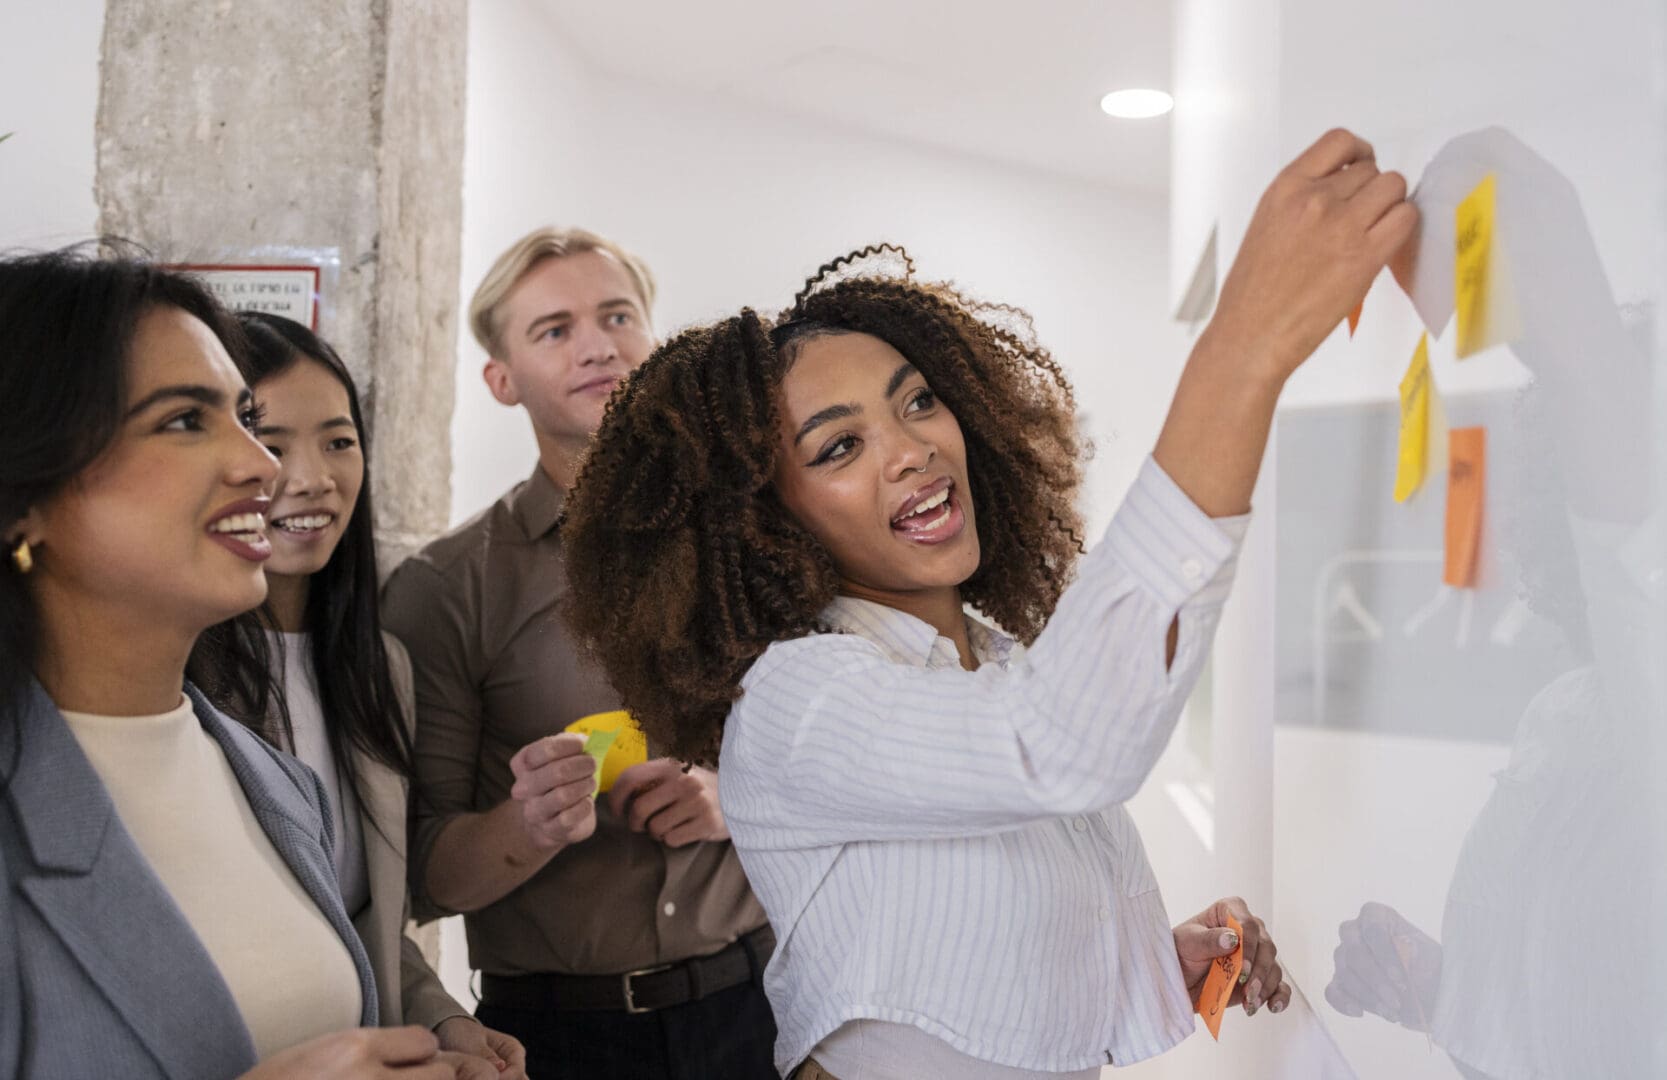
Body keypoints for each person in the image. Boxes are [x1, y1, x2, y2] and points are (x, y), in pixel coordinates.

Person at [559, 127, 1418, 1078]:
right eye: (839, 447)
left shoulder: (993, 661)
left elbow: (954, 958)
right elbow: (1061, 742)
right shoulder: (795, 703)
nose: (912, 448)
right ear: (762, 519)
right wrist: (1243, 349)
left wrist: (1140, 963)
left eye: (917, 401)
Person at [0, 248, 474, 1079]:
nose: (263, 466)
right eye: (184, 420)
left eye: (241, 415)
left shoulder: (274, 786)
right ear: (24, 500)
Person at [381, 227, 776, 1079]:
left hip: (767, 1007)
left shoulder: (762, 540)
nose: (597, 346)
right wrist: (525, 827)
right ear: (502, 379)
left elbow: (861, 757)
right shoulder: (443, 588)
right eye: (553, 330)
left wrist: (738, 795)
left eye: (616, 316)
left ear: (655, 339)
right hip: (556, 1041)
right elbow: (419, 874)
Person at [188, 312, 528, 1080]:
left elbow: (359, 921)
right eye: (270, 443)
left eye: (338, 440)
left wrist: (443, 1019)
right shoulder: (172, 677)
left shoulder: (381, 668)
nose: (312, 478)